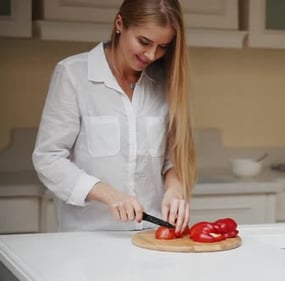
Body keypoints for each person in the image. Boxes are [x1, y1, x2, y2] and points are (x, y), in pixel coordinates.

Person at [32, 0, 196, 234]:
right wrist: (109, 195)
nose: (151, 55)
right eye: (144, 42)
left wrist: (174, 190)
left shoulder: (166, 82)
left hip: (153, 235)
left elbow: (172, 159)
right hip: (90, 238)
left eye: (163, 47)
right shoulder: (73, 74)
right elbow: (48, 158)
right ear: (119, 24)